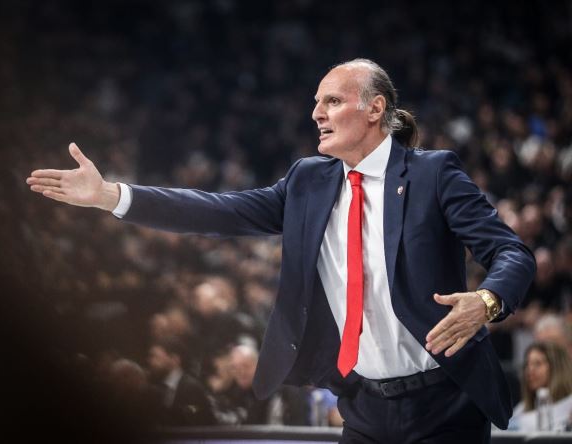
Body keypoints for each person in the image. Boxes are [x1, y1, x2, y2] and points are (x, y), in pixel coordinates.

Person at [27, 58, 536, 443]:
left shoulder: (432, 173)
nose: (317, 113)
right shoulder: (307, 182)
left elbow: (512, 253)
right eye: (316, 103)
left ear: (375, 108)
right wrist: (111, 196)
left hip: (444, 404)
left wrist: (486, 301)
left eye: (332, 101)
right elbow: (218, 211)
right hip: (364, 408)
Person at [509, 342, 572, 431]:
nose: (530, 370)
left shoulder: (570, 406)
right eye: (527, 364)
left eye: (538, 364)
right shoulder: (521, 408)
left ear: (557, 368)